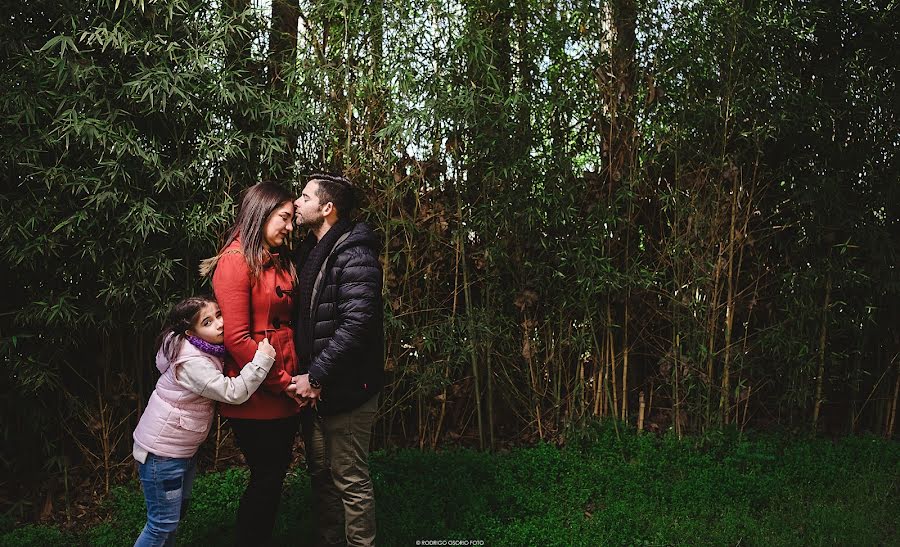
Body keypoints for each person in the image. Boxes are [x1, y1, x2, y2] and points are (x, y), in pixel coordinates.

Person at [201, 182, 304, 545]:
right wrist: (282, 382)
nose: (290, 227)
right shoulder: (234, 262)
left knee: (272, 476)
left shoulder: (276, 259)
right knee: (267, 477)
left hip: (284, 383)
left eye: (292, 219)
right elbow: (237, 339)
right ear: (261, 212)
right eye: (284, 218)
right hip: (259, 390)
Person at [132, 295, 277, 547]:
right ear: (191, 332)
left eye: (219, 315)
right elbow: (233, 392)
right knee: (161, 525)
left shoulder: (202, 348)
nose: (219, 324)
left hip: (180, 453)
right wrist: (262, 359)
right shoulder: (191, 362)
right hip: (162, 455)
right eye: (207, 322)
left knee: (172, 518)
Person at [291, 173, 384, 547]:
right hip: (317, 391)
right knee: (321, 476)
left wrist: (315, 376)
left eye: (304, 197)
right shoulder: (312, 251)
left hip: (346, 390)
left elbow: (357, 324)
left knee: (349, 479)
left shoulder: (355, 253)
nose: (296, 203)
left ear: (327, 208)